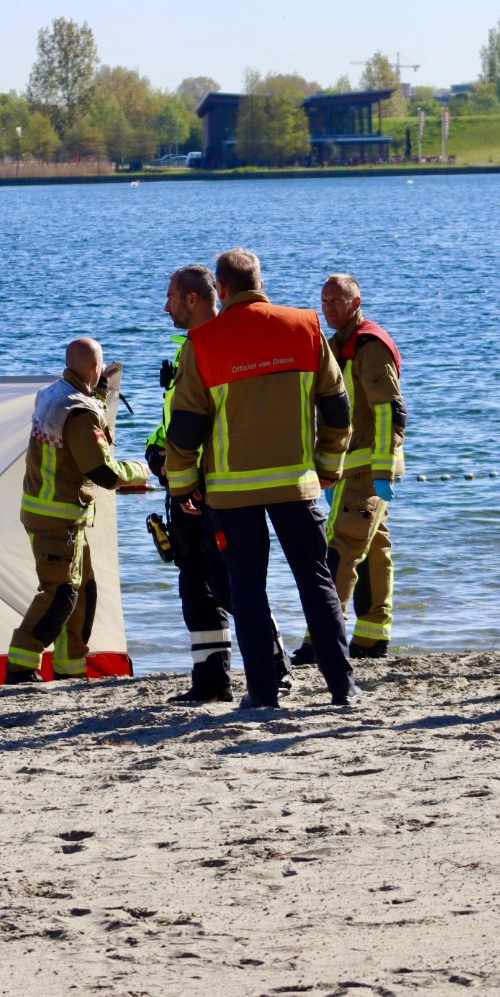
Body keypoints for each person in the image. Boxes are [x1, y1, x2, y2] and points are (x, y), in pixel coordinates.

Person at [165, 247, 361, 709]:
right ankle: (343, 687)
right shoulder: (306, 327)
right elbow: (337, 409)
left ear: (221, 289)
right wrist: (328, 466)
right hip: (297, 484)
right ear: (260, 282)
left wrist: (182, 484)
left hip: (231, 494)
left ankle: (263, 693)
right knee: (316, 582)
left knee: (247, 591)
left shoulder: (202, 343)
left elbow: (185, 428)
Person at [146, 265, 290, 703]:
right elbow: (173, 422)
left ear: (193, 299)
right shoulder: (187, 350)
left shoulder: (222, 346)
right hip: (183, 490)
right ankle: (211, 681)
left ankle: (275, 668)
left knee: (232, 587)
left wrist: (196, 474)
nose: (165, 306)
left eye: (171, 296)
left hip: (217, 490)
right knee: (195, 589)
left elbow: (234, 421)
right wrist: (156, 454)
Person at [7, 338, 148, 684]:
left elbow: (73, 434)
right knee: (60, 593)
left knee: (83, 594)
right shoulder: (80, 411)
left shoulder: (53, 393)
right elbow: (103, 472)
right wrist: (140, 471)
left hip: (55, 514)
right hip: (57, 518)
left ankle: (71, 672)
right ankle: (20, 667)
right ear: (94, 367)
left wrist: (99, 394)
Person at [293, 273, 406, 663]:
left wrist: (384, 469)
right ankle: (371, 637)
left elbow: (389, 410)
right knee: (374, 549)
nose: (329, 309)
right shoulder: (337, 345)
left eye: (337, 301)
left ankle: (321, 639)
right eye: (324, 302)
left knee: (339, 551)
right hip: (348, 469)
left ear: (356, 303)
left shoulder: (368, 345)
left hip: (367, 468)